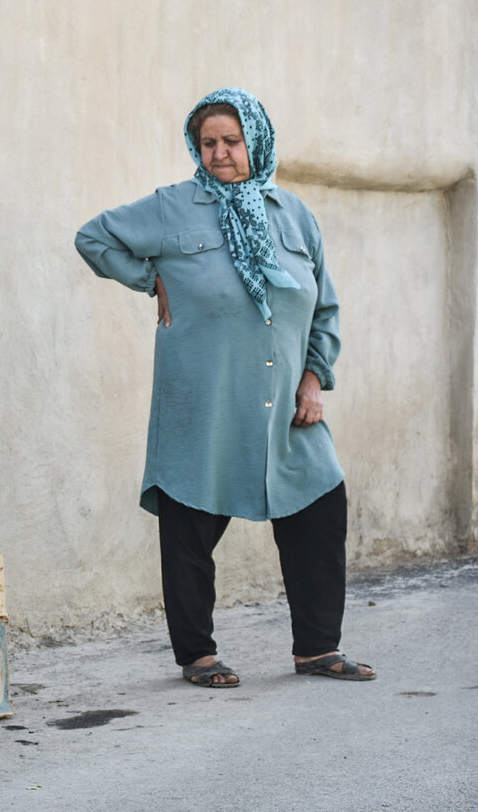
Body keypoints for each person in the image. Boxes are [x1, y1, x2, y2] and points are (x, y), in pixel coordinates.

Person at [74, 87, 374, 687]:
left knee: (321, 507)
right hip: (204, 406)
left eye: (231, 142)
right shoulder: (171, 207)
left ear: (254, 142)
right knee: (188, 528)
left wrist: (315, 379)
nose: (219, 154)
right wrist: (149, 277)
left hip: (285, 405)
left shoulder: (294, 215)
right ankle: (198, 656)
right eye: (208, 143)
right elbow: (93, 237)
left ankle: (317, 648)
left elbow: (325, 307)